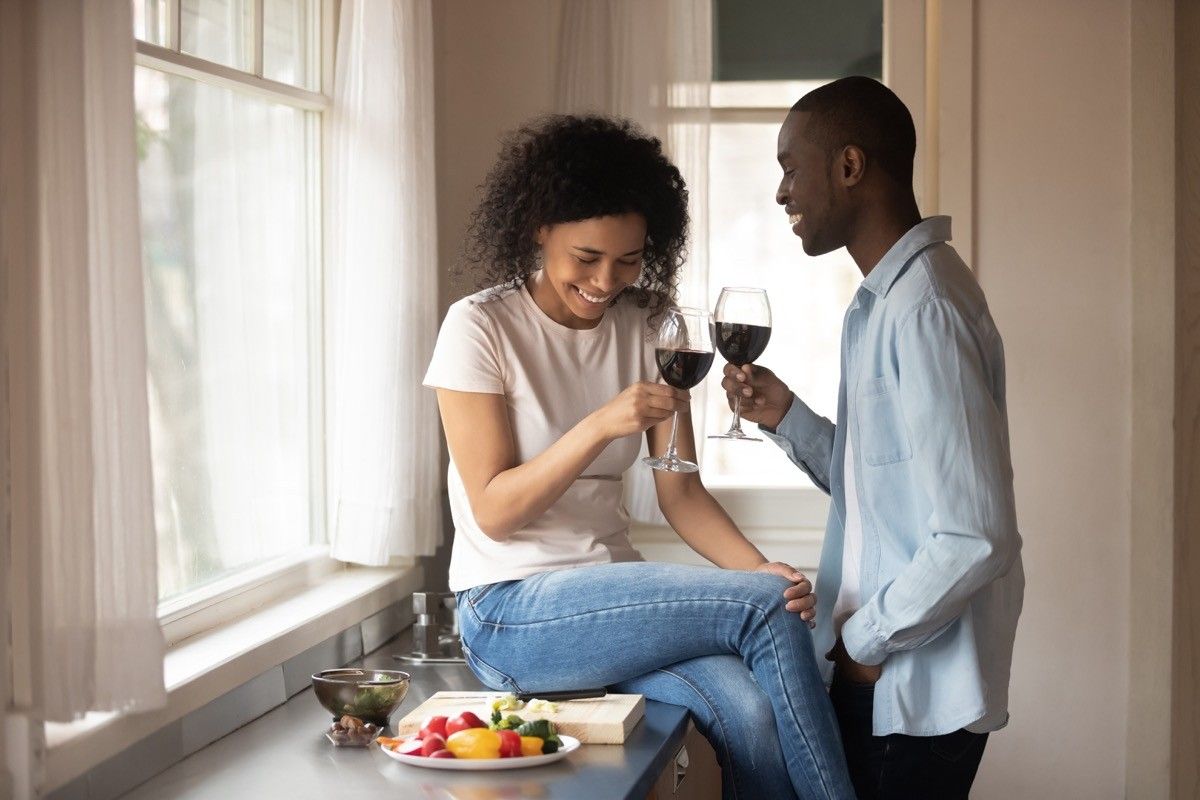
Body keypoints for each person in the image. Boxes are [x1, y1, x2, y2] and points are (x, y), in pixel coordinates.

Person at [424, 114, 855, 800]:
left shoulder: (650, 325)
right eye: (586, 258)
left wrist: (757, 568)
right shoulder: (479, 327)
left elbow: (680, 493)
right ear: (539, 229)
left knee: (750, 712)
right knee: (768, 607)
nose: (606, 280)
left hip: (611, 605)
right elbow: (494, 510)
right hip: (511, 613)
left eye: (628, 260)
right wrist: (600, 425)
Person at [723, 76, 1024, 799]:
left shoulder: (924, 308)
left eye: (791, 167)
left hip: (908, 691)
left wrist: (863, 643)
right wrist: (785, 417)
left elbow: (976, 534)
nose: (781, 193)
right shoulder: (883, 306)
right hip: (886, 679)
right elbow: (886, 491)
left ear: (850, 166)